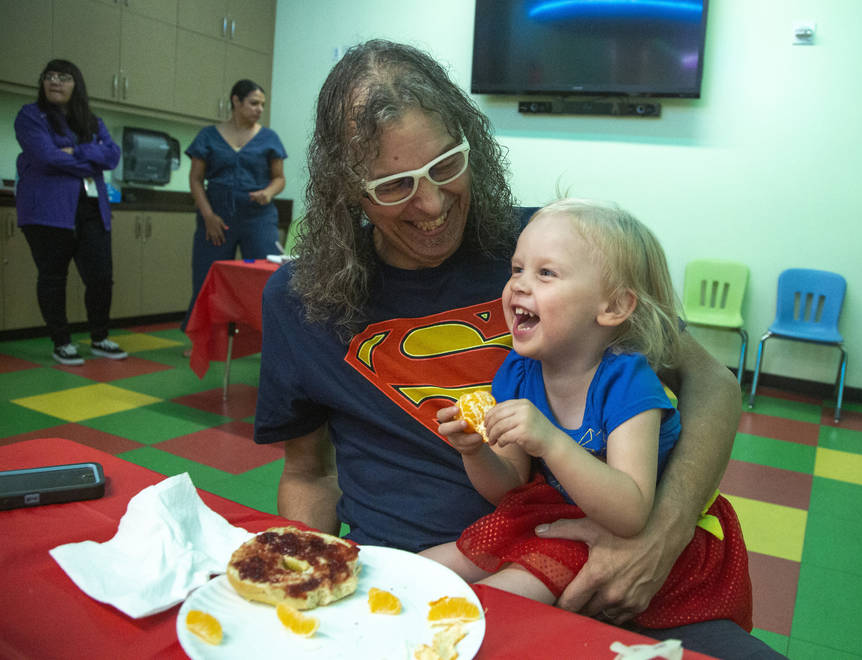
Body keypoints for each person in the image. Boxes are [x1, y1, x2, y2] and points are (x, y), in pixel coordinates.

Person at [255, 39, 782, 658]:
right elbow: (310, 474)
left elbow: (712, 382)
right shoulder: (303, 297)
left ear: (470, 144)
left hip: (631, 580)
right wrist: (300, 596)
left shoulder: (552, 247)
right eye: (393, 186)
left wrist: (659, 536)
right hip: (419, 592)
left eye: (446, 166)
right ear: (348, 190)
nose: (430, 204)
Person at [421, 198, 752, 633]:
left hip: (621, 532)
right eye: (517, 269)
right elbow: (507, 489)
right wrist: (475, 452)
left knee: (489, 608)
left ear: (613, 307)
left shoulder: (628, 383)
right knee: (427, 569)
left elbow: (630, 512)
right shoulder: (518, 373)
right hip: (553, 516)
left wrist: (550, 441)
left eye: (546, 273)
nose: (519, 285)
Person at [14, 59, 127, 366]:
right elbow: (46, 156)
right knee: (53, 277)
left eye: (64, 77)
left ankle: (100, 337)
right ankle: (61, 341)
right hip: (46, 211)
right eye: (49, 76)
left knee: (101, 276)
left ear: (76, 84)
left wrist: (76, 151)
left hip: (91, 208)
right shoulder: (30, 116)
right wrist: (92, 158)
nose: (55, 82)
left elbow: (113, 155)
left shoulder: (91, 120)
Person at [181, 79, 286, 332]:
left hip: (258, 217)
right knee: (208, 277)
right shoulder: (208, 136)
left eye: (262, 104)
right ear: (235, 102)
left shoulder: (269, 138)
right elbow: (195, 179)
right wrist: (207, 216)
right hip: (217, 217)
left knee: (268, 276)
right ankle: (203, 341)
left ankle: (265, 338)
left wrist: (268, 193)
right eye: (253, 103)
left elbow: (279, 178)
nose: (259, 109)